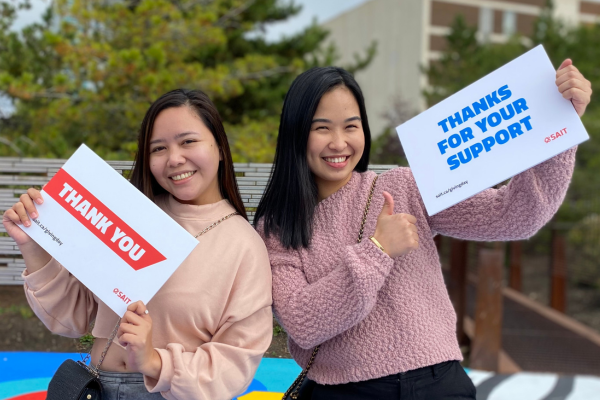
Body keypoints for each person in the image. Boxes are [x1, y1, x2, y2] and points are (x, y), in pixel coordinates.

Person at [254, 60, 592, 399]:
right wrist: (378, 250)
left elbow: (514, 216)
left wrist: (560, 126)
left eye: (351, 126)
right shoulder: (277, 227)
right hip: (344, 391)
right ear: (297, 132)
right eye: (322, 128)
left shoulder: (404, 186)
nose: (339, 142)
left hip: (438, 384)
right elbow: (303, 323)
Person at [3, 89, 273, 400]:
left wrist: (156, 362)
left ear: (220, 147)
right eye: (158, 148)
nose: (174, 159)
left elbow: (236, 363)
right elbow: (70, 318)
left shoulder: (244, 246)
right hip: (94, 386)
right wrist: (33, 247)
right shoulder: (127, 214)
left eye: (188, 141)